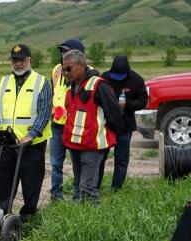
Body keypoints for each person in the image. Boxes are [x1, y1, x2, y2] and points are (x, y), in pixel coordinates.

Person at [0, 44, 52, 222]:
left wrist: (31, 135)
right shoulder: (3, 82)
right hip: (6, 143)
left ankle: (27, 218)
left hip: (32, 145)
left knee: (31, 185)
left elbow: (44, 111)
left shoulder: (42, 82)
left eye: (22, 60)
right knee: (2, 184)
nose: (18, 64)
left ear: (29, 60)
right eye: (15, 60)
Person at [61, 49, 123, 202]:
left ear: (81, 65)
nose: (65, 72)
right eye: (63, 69)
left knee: (87, 188)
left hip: (93, 146)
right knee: (77, 185)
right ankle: (78, 219)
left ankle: (93, 222)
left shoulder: (99, 85)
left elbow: (114, 114)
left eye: (69, 68)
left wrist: (113, 137)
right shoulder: (70, 88)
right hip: (75, 145)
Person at [97, 55, 148, 190]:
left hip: (125, 127)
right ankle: (95, 186)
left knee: (121, 160)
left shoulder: (136, 80)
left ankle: (116, 188)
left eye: (121, 76)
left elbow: (143, 101)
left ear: (128, 71)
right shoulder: (104, 78)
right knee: (100, 158)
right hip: (105, 127)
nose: (118, 79)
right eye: (116, 75)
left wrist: (127, 104)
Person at [49, 38, 88, 201]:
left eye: (67, 52)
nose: (63, 55)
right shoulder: (57, 70)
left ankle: (77, 197)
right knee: (55, 164)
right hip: (57, 125)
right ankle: (56, 197)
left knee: (77, 165)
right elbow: (54, 92)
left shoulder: (88, 72)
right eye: (62, 52)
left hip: (76, 126)